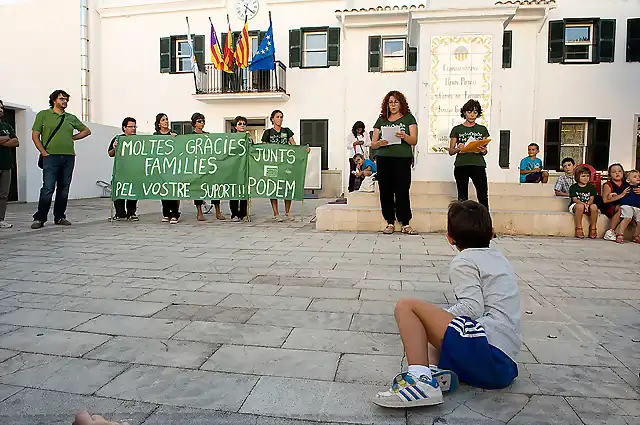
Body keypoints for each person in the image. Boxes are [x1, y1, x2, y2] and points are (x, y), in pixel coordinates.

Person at [373, 200, 522, 408]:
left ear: (450, 239)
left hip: (489, 354)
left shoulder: (465, 260)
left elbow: (472, 307)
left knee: (407, 307)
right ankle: (433, 373)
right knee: (436, 324)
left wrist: (436, 319)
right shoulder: (499, 259)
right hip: (505, 363)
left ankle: (421, 382)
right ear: (492, 233)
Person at [31, 90, 91, 229]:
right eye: (62, 99)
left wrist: (73, 138)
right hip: (50, 157)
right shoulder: (43, 115)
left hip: (68, 156)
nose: (65, 102)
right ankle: (40, 218)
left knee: (64, 188)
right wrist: (43, 152)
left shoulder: (70, 117)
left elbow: (86, 131)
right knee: (48, 188)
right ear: (54, 100)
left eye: (66, 100)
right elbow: (35, 135)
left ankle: (59, 217)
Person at [370, 90, 419, 235]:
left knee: (402, 190)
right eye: (390, 102)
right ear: (387, 104)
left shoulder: (409, 118)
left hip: (402, 159)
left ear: (401, 103)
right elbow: (373, 144)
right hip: (384, 158)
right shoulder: (381, 120)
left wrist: (404, 136)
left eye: (396, 102)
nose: (393, 105)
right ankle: (389, 222)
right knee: (385, 191)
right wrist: (380, 143)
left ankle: (405, 223)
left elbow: (414, 140)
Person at [449, 99, 489, 210]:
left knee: (482, 195)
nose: (472, 115)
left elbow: (485, 151)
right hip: (461, 165)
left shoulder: (482, 129)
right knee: (462, 197)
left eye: (475, 112)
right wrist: (458, 148)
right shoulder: (457, 129)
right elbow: (451, 151)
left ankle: (485, 223)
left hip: (478, 164)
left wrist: (482, 150)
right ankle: (462, 224)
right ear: (464, 113)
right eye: (469, 112)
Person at [260, 109, 297, 221]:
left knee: (287, 186)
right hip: (272, 165)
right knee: (273, 187)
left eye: (281, 117)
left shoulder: (287, 131)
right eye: (277, 117)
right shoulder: (267, 133)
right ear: (272, 119)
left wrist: (303, 150)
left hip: (285, 164)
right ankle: (276, 213)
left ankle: (287, 212)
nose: (279, 119)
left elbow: (294, 145)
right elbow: (263, 148)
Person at [190, 112, 226, 222]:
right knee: (198, 189)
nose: (202, 123)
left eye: (203, 121)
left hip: (208, 165)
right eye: (199, 121)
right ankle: (199, 212)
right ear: (194, 123)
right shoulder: (189, 136)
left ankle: (218, 211)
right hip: (197, 166)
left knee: (214, 187)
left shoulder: (208, 135)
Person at [108, 117, 139, 221]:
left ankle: (131, 213)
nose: (133, 129)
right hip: (121, 170)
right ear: (124, 127)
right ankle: (120, 213)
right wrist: (114, 147)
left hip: (134, 171)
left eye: (135, 126)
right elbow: (110, 154)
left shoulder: (139, 140)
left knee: (133, 192)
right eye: (130, 126)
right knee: (119, 189)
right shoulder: (118, 138)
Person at [154, 113, 180, 224]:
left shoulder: (174, 134)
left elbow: (180, 148)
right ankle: (166, 214)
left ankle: (175, 214)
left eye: (167, 119)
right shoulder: (155, 135)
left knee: (173, 190)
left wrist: (175, 139)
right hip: (161, 166)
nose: (166, 121)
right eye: (163, 120)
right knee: (164, 191)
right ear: (159, 123)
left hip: (172, 166)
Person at [0, 100, 19, 229]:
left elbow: (16, 142)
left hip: (6, 165)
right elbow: (10, 140)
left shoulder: (7, 126)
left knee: (3, 195)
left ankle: (1, 219)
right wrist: (6, 139)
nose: (0, 110)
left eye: (1, 107)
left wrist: (3, 141)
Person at [229, 115, 251, 222]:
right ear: (235, 126)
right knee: (234, 190)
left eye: (244, 124)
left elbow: (253, 151)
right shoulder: (231, 138)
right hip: (233, 168)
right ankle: (234, 213)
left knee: (244, 190)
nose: (242, 126)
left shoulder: (249, 138)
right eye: (240, 124)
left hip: (245, 168)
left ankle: (244, 213)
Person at [569, 165, 599, 239]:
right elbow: (574, 199)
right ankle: (579, 228)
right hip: (576, 205)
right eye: (583, 176)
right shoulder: (573, 187)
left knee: (594, 207)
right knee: (580, 206)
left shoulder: (591, 187)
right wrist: (583, 204)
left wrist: (588, 204)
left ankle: (593, 228)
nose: (586, 178)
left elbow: (592, 198)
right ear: (577, 177)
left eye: (587, 176)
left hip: (588, 205)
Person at [601, 163, 629, 241]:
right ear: (610, 175)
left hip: (624, 204)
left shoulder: (627, 184)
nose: (617, 173)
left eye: (619, 171)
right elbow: (605, 200)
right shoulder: (608, 185)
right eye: (614, 172)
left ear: (623, 173)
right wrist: (621, 195)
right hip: (610, 206)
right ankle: (610, 231)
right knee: (622, 208)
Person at [615, 169, 640, 243]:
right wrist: (613, 194)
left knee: (639, 221)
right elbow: (617, 193)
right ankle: (620, 234)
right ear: (628, 180)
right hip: (627, 205)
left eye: (639, 176)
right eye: (635, 177)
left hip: (638, 207)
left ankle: (636, 235)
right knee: (627, 217)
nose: (638, 178)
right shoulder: (625, 187)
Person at [347, 121, 371, 192]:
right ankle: (351, 189)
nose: (359, 130)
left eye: (360, 129)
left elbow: (369, 143)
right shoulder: (351, 135)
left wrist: (363, 143)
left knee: (363, 172)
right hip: (353, 157)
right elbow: (348, 146)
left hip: (363, 157)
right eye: (357, 129)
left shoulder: (365, 134)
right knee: (353, 173)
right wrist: (354, 143)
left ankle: (362, 188)